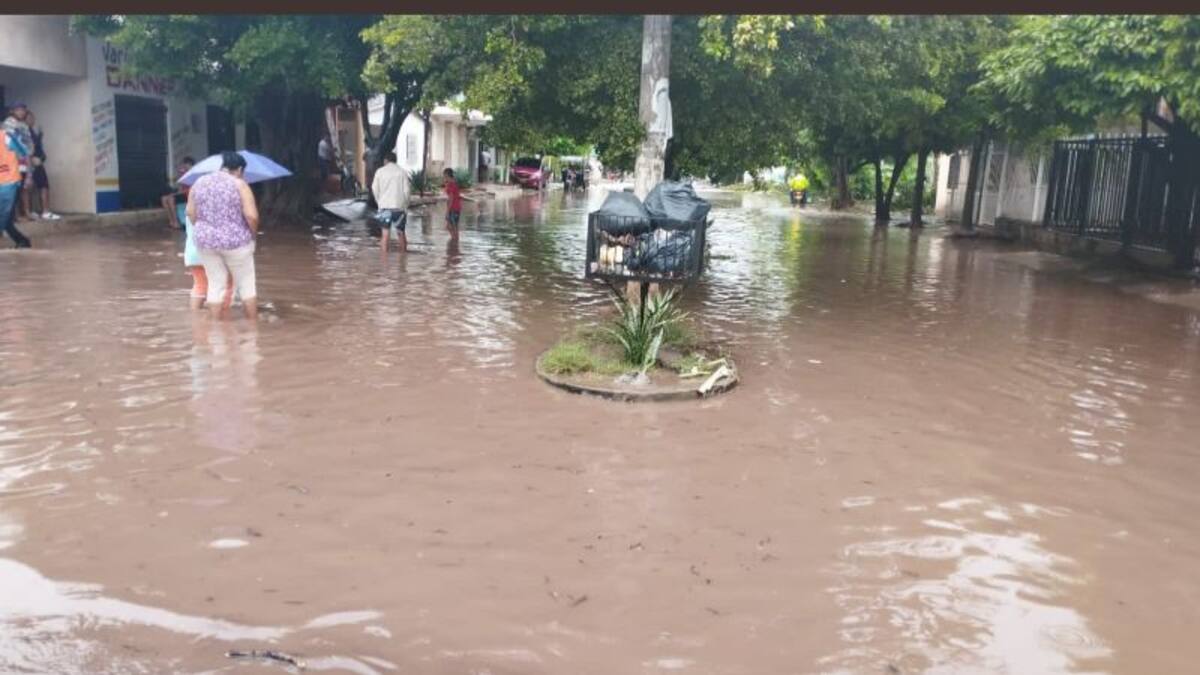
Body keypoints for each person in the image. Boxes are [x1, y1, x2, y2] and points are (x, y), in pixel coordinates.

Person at [188, 152, 260, 320]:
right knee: (246, 284)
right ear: (239, 169)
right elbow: (252, 216)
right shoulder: (239, 184)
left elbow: (191, 213)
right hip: (236, 243)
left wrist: (207, 229)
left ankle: (215, 325)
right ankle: (252, 325)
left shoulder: (199, 183)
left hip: (205, 242)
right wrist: (253, 235)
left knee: (215, 284)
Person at [370, 151, 411, 253]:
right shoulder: (402, 172)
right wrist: (405, 205)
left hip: (384, 208)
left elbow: (374, 188)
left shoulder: (380, 172)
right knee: (401, 233)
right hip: (399, 208)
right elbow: (407, 191)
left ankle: (384, 260)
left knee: (385, 235)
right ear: (395, 161)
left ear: (385, 161)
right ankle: (403, 259)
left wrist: (379, 202)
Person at [0, 124, 32, 247]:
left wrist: (29, 176)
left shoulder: (6, 137)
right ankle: (22, 241)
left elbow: (25, 154)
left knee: (5, 217)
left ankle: (22, 241)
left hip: (10, 182)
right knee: (6, 219)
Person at [25, 112, 59, 220]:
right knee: (33, 188)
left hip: (38, 162)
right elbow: (26, 149)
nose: (31, 120)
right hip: (29, 163)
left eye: (32, 118)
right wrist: (31, 159)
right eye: (29, 118)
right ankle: (40, 211)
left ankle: (41, 211)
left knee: (41, 186)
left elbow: (39, 148)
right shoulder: (24, 132)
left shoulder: (32, 132)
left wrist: (42, 158)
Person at [3, 103, 33, 222]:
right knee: (13, 189)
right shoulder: (8, 123)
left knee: (24, 188)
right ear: (12, 111)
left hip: (24, 161)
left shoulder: (24, 125)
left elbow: (28, 143)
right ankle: (14, 216)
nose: (21, 112)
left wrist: (30, 153)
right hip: (13, 161)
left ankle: (25, 213)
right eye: (18, 110)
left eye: (23, 110)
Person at [442, 168, 475, 240]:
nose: (443, 177)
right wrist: (470, 200)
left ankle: (454, 241)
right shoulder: (454, 183)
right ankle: (455, 241)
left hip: (453, 208)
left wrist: (447, 211)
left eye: (444, 175)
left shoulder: (450, 185)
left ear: (447, 175)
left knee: (450, 226)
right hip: (457, 208)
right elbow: (458, 195)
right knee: (454, 227)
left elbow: (451, 199)